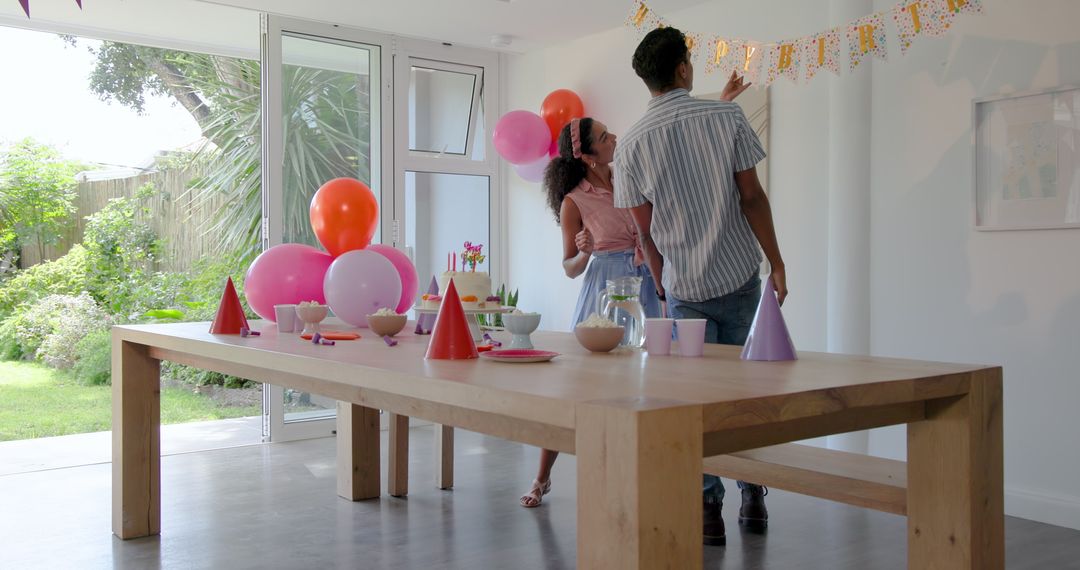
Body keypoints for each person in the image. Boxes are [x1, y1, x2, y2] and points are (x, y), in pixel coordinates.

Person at [614, 26, 788, 547]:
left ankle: (707, 510)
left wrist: (664, 281)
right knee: (747, 398)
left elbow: (644, 230)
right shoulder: (727, 116)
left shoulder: (630, 145)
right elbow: (752, 198)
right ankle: (752, 497)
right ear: (685, 69)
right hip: (738, 279)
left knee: (692, 405)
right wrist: (777, 263)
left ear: (648, 80)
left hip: (684, 287)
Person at [518, 116, 664, 508]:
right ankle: (542, 476)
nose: (613, 137)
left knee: (649, 387)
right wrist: (583, 249)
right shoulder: (573, 201)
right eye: (604, 136)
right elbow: (568, 267)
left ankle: (642, 476)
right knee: (578, 389)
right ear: (585, 154)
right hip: (604, 292)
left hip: (646, 286)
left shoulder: (628, 178)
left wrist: (663, 290)